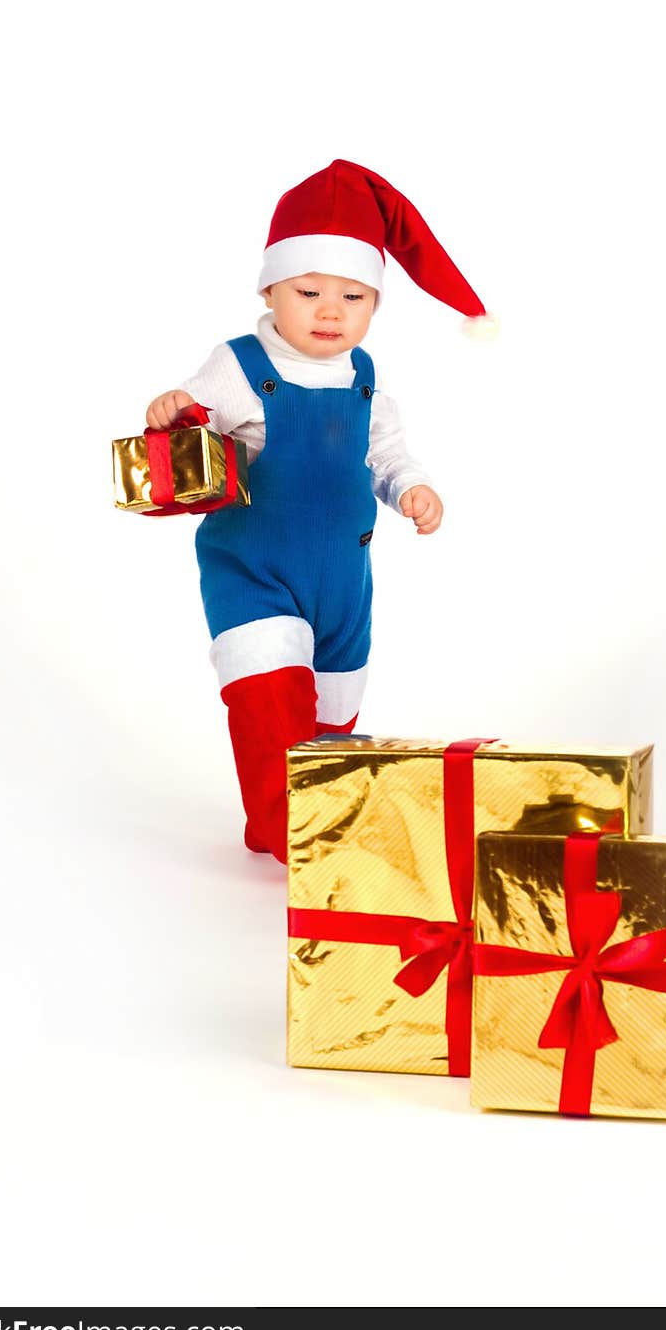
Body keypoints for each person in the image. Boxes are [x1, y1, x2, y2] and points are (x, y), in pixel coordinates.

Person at [146, 159, 494, 863]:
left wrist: (411, 488)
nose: (331, 311)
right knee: (271, 705)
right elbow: (189, 430)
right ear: (271, 287)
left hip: (343, 585)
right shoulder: (241, 363)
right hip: (254, 573)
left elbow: (387, 452)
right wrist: (174, 414)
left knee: (332, 725)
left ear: (374, 305)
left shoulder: (365, 377)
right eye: (309, 292)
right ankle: (286, 835)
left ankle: (324, 825)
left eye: (355, 297)